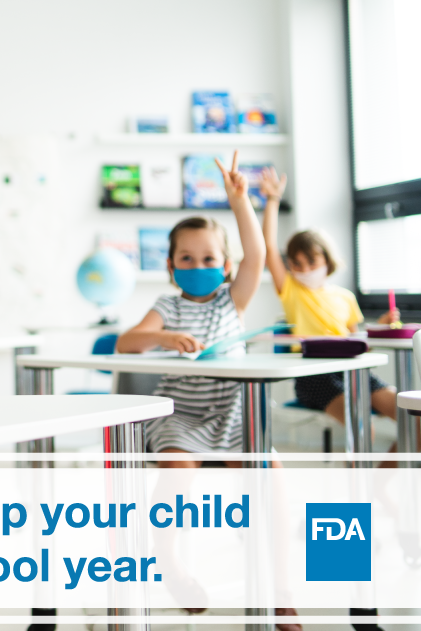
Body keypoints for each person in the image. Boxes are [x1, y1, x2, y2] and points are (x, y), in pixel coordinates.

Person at [116, 153, 299, 630]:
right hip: (182, 416)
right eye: (187, 258)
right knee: (176, 474)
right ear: (172, 266)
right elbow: (127, 342)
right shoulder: (166, 305)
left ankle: (280, 591)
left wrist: (241, 201)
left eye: (209, 258)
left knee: (274, 481)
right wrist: (163, 337)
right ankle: (170, 564)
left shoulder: (231, 300)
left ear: (226, 264)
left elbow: (258, 255)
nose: (199, 265)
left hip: (237, 414)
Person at [259, 168, 398, 421]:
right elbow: (268, 246)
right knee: (360, 421)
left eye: (311, 262)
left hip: (352, 369)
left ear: (327, 259)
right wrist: (273, 200)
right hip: (314, 375)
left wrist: (379, 328)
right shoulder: (293, 291)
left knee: (412, 416)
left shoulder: (345, 297)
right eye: (296, 264)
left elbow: (358, 342)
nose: (304, 270)